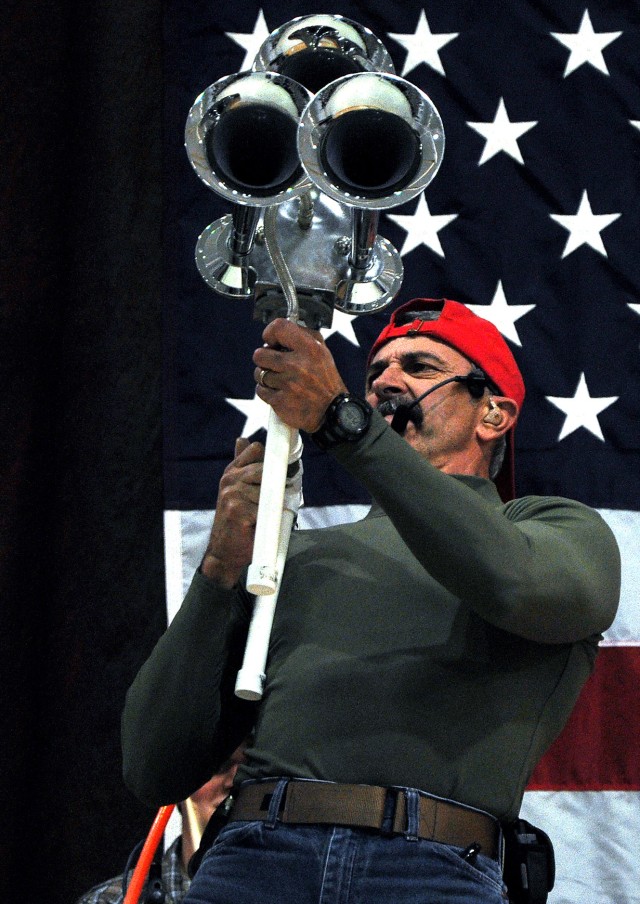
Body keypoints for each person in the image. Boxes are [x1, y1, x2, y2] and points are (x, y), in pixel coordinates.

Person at [122, 297, 621, 903]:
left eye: (418, 365)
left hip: (433, 872)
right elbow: (154, 765)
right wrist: (220, 569)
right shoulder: (300, 555)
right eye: (375, 372)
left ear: (493, 412)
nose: (386, 380)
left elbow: (519, 586)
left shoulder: (556, 531)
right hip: (254, 864)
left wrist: (341, 418)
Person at [77, 746, 245, 904]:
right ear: (179, 785)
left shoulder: (268, 890)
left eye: (250, 769)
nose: (236, 781)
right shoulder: (109, 900)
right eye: (218, 766)